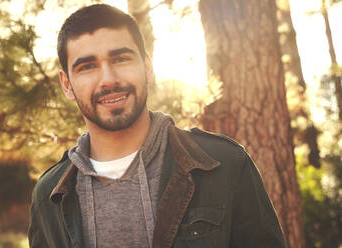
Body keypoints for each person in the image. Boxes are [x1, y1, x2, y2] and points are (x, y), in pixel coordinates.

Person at [28, 4, 286, 248]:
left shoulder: (225, 164)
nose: (108, 79)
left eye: (121, 59)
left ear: (148, 68)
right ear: (66, 84)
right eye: (87, 67)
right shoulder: (48, 195)